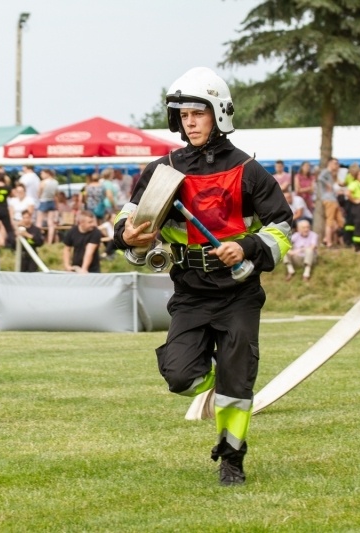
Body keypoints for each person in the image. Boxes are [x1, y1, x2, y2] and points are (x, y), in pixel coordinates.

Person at [113, 67, 292, 486]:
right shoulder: (164, 169)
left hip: (239, 292)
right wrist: (128, 235)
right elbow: (128, 219)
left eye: (198, 112)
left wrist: (246, 247)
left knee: (237, 378)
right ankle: (221, 382)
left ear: (219, 113)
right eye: (183, 114)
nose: (189, 122)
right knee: (179, 374)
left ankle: (231, 458)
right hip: (190, 291)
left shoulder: (249, 170)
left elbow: (281, 228)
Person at [316, 158, 343, 248]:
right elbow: (319, 178)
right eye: (335, 163)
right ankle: (329, 243)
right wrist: (327, 184)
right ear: (330, 163)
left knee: (340, 222)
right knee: (330, 221)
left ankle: (325, 239)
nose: (337, 165)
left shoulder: (332, 175)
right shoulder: (326, 172)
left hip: (334, 199)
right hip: (328, 199)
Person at [36, 168, 59, 244]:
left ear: (47, 173)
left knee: (39, 222)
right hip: (51, 201)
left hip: (43, 201)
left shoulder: (43, 182)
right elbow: (56, 194)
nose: (41, 175)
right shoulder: (55, 182)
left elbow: (39, 193)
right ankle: (50, 241)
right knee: (51, 223)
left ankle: (38, 238)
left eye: (42, 173)